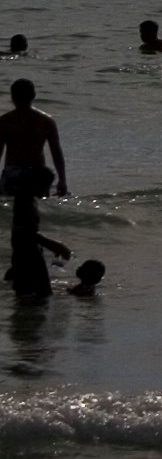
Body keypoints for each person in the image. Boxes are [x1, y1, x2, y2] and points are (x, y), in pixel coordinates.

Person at [3, 80, 68, 303]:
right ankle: (28, 258)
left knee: (19, 219)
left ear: (12, 96)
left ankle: (19, 263)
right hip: (38, 173)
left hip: (13, 174)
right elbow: (56, 152)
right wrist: (62, 181)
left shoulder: (6, 121)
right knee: (30, 218)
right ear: (34, 95)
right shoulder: (45, 120)